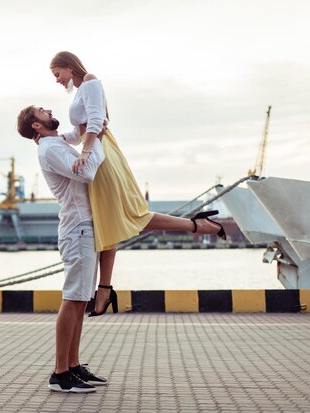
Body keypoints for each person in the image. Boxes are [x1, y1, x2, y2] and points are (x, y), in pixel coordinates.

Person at [49, 51, 226, 316]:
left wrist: (85, 152)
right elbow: (80, 131)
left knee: (125, 215)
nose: (57, 80)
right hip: (95, 150)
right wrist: (53, 139)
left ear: (67, 65)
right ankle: (105, 289)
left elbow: (97, 121)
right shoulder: (79, 92)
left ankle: (195, 226)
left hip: (100, 154)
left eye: (57, 74)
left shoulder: (90, 80)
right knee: (106, 220)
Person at [17, 105, 108, 393]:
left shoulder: (57, 142)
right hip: (77, 228)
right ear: (36, 125)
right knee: (73, 298)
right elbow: (87, 172)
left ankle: (73, 365)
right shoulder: (50, 150)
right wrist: (98, 144)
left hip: (83, 227)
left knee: (80, 300)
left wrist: (91, 129)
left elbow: (77, 133)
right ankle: (60, 373)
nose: (49, 109)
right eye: (42, 110)